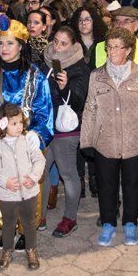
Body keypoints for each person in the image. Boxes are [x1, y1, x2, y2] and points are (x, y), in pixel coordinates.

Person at [81, 27, 138, 247]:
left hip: (136, 141)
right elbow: (89, 109)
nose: (112, 51)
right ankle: (108, 223)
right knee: (106, 185)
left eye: (118, 47)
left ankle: (130, 223)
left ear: (128, 50)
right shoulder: (96, 76)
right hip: (104, 141)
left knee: (132, 185)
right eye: (109, 46)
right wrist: (86, 140)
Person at [0, 15, 53, 252]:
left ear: (21, 46)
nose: (4, 48)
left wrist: (36, 135)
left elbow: (45, 110)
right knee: (1, 185)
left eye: (10, 43)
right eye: (1, 43)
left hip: (25, 139)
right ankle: (7, 228)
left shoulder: (35, 74)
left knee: (27, 186)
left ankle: (25, 230)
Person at [0, 103, 47, 270]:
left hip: (29, 192)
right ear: (3, 125)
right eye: (14, 123)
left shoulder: (27, 141)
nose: (19, 127)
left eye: (21, 122)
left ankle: (31, 250)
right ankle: (7, 251)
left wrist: (34, 177)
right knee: (8, 224)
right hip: (7, 195)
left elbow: (40, 160)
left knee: (29, 222)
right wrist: (5, 182)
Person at [42, 26, 89, 237]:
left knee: (68, 174)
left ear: (73, 46)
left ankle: (70, 218)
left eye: (63, 43)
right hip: (45, 127)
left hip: (67, 128)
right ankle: (38, 214)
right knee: (40, 173)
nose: (58, 47)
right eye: (55, 42)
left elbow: (79, 102)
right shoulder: (47, 63)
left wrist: (65, 87)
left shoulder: (79, 67)